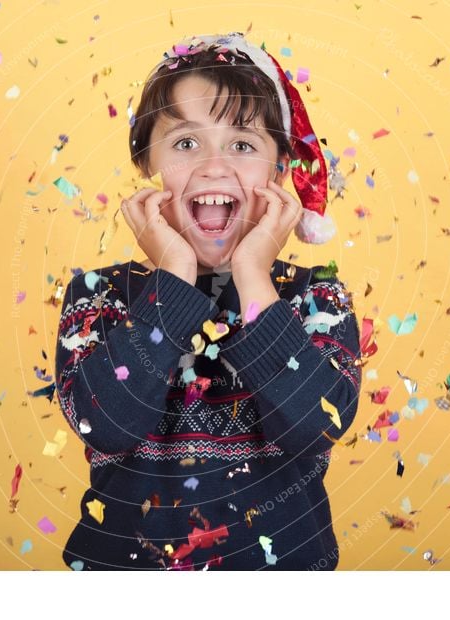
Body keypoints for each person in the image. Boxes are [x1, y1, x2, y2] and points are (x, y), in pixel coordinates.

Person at [55, 32, 362, 570]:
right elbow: (103, 424)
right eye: (185, 143)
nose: (214, 167)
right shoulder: (96, 296)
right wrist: (174, 276)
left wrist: (251, 274)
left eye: (243, 145)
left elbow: (317, 426)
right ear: (148, 166)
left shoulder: (317, 298)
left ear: (278, 172)